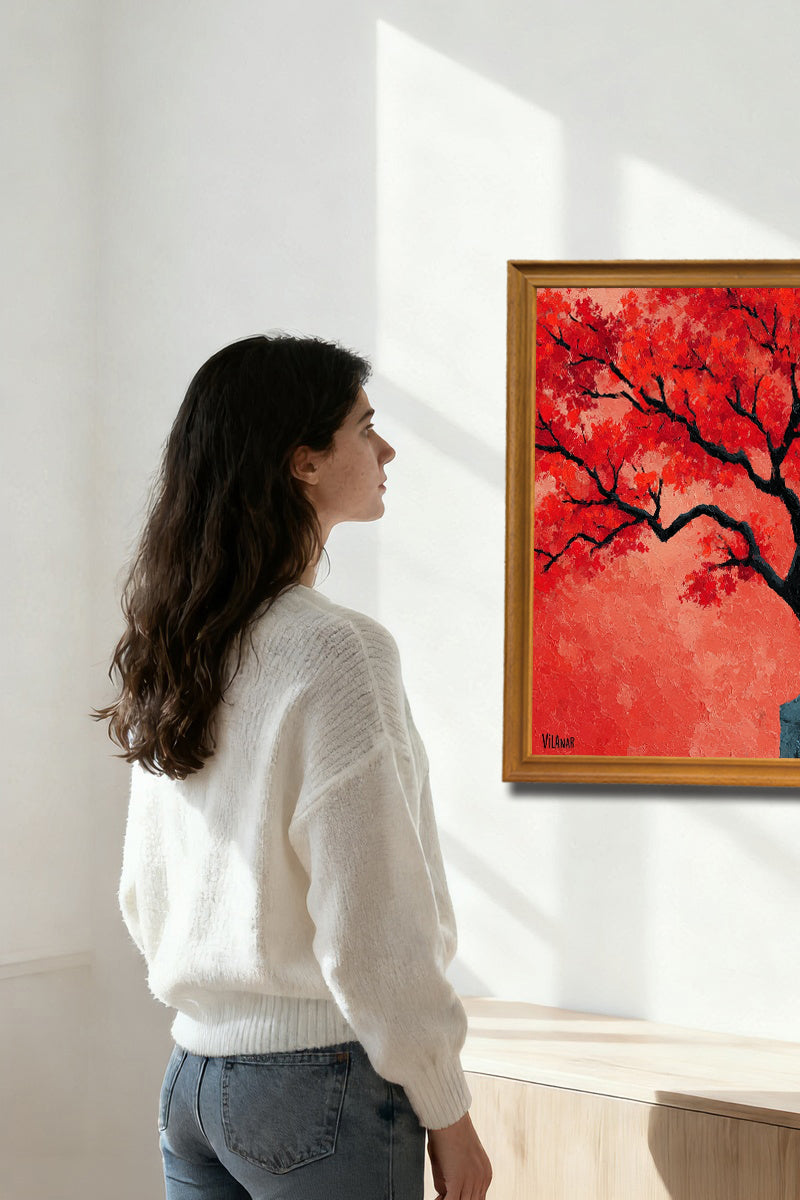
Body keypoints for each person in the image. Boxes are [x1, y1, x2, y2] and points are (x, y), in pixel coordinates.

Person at [92, 333, 492, 1200]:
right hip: (321, 1087)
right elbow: (375, 916)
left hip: (192, 1082)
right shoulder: (337, 652)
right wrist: (449, 1110)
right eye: (365, 427)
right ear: (305, 462)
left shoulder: (183, 646)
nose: (386, 451)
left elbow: (141, 890)